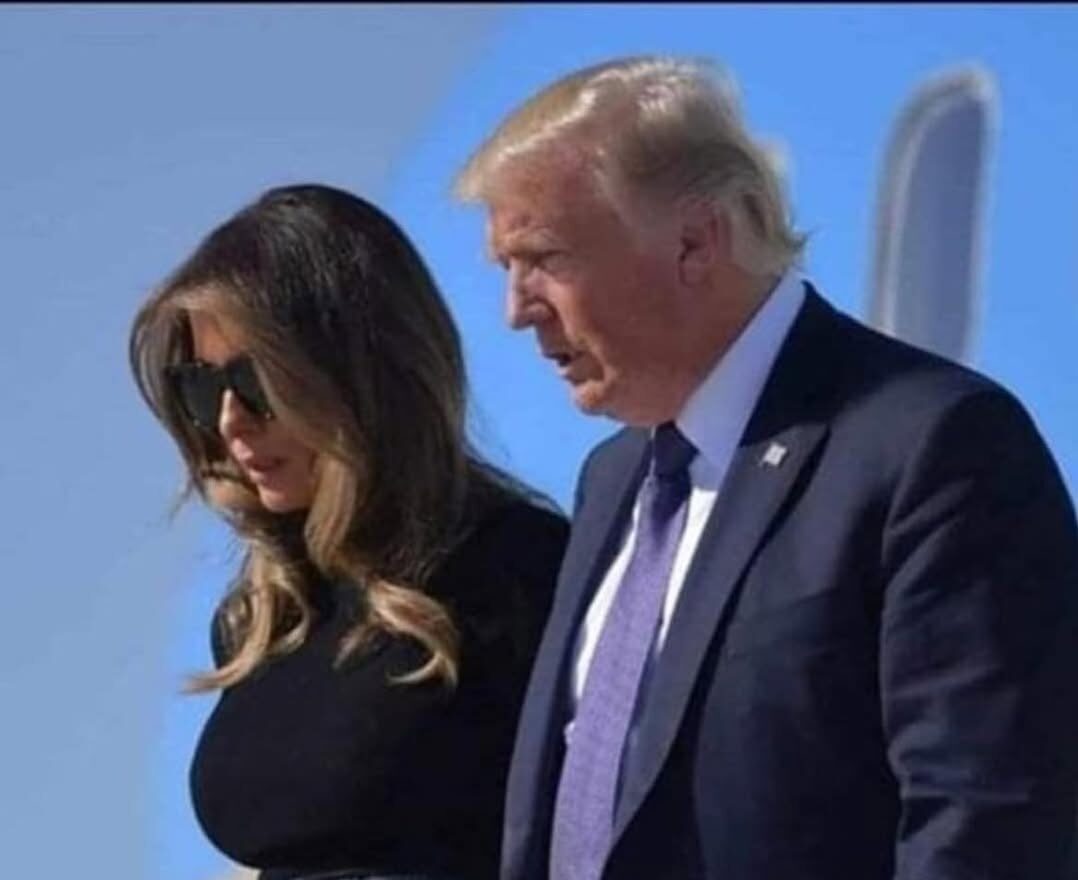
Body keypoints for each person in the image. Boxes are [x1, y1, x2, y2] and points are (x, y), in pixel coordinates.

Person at [453, 55, 1078, 880]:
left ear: (694, 242)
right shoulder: (613, 476)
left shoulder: (934, 445)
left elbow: (987, 821)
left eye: (544, 257)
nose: (515, 310)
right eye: (505, 269)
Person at [129, 183, 569, 880]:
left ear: (361, 371)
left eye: (256, 382)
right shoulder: (262, 616)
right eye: (201, 388)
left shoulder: (524, 568)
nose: (229, 422)